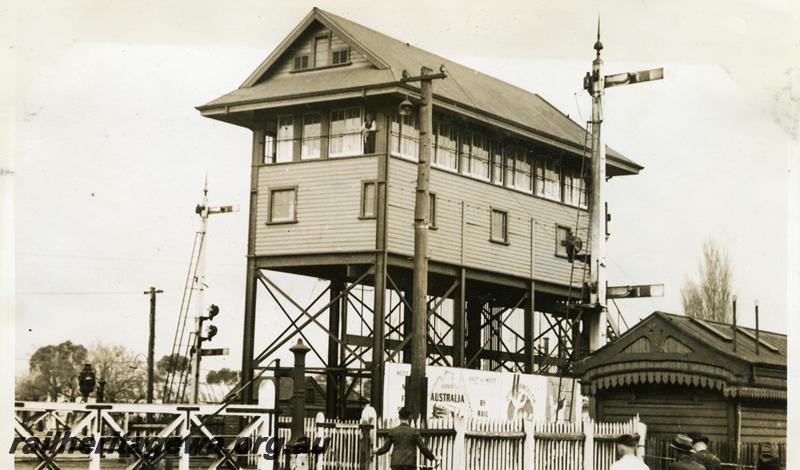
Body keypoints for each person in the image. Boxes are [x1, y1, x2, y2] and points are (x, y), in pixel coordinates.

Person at [373, 407, 438, 469]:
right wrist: (432, 457)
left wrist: (376, 451)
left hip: (396, 464)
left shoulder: (393, 431)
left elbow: (385, 448)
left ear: (399, 417)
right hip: (410, 464)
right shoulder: (414, 431)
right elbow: (423, 448)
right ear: (409, 417)